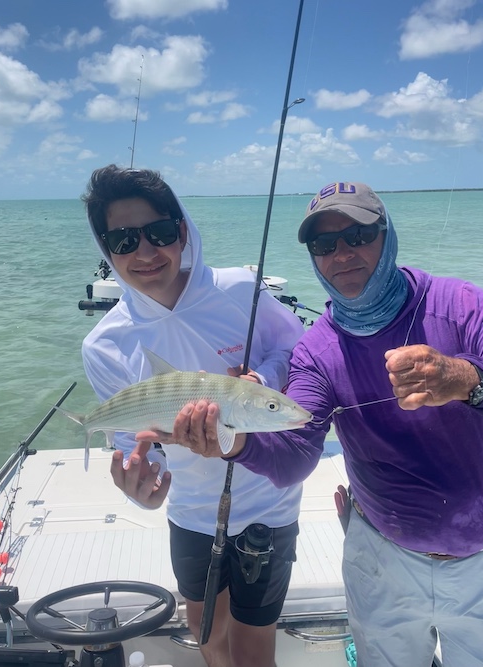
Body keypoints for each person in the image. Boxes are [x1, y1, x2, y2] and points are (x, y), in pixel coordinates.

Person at [140, 181, 483, 667]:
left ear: (387, 234)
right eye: (323, 245)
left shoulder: (461, 303)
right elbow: (296, 456)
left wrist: (467, 379)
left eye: (358, 235)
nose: (341, 254)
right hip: (382, 558)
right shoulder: (315, 351)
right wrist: (234, 444)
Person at [80, 164, 306, 667]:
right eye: (123, 240)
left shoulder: (240, 290)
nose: (145, 252)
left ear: (182, 231)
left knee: (254, 647)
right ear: (106, 249)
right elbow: (136, 444)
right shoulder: (104, 345)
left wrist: (262, 379)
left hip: (269, 501)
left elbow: (299, 352)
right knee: (206, 634)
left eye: (159, 232)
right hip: (193, 512)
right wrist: (139, 485)